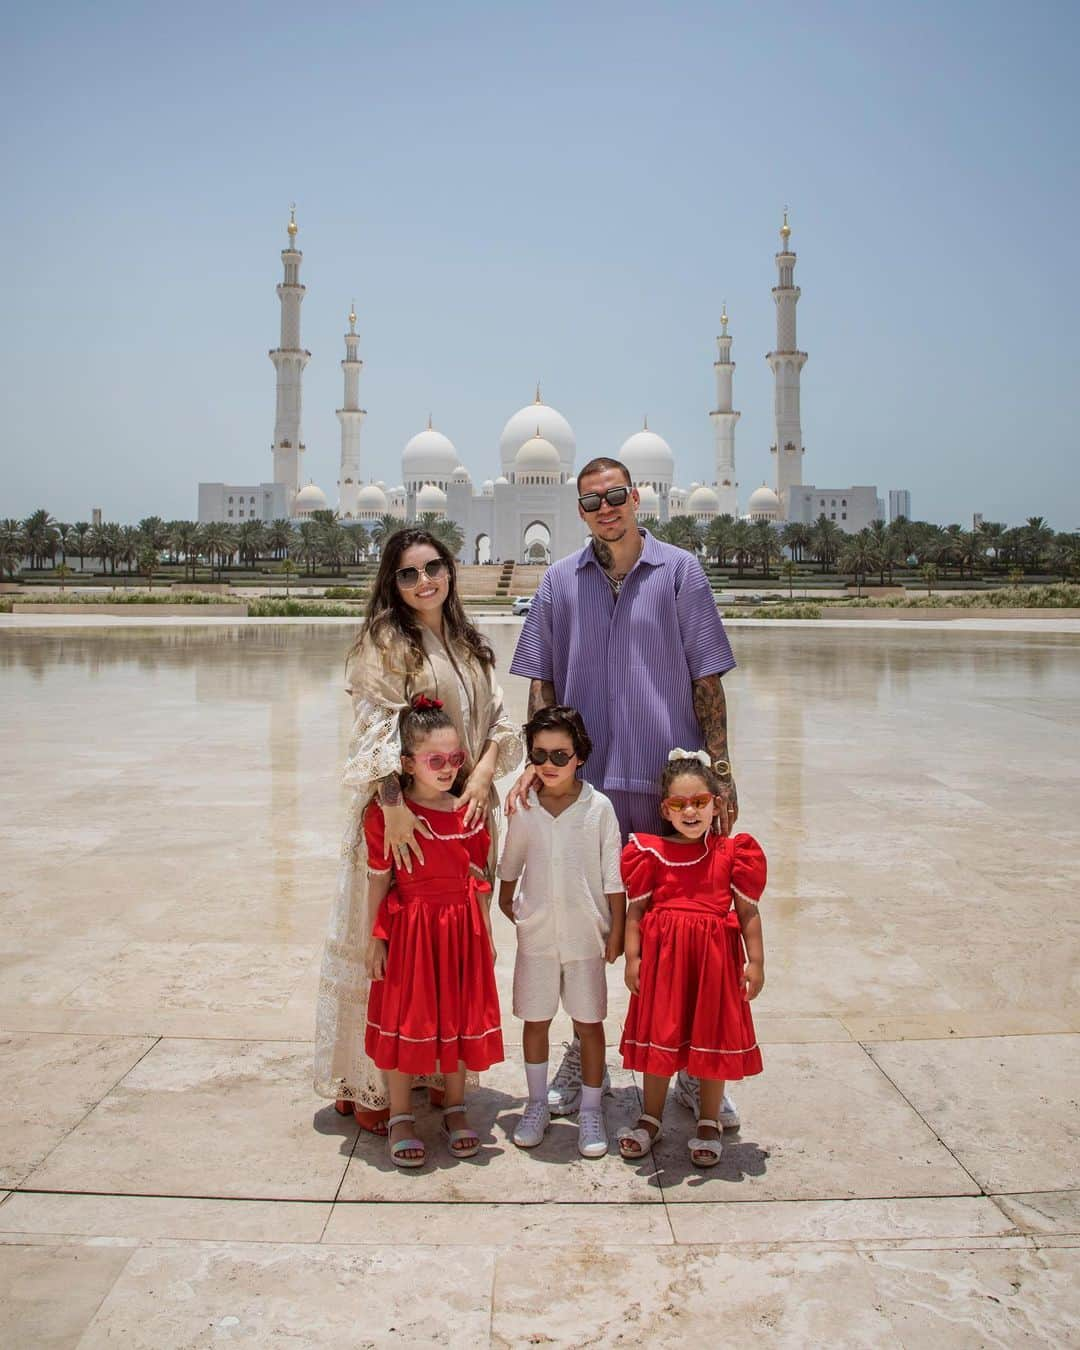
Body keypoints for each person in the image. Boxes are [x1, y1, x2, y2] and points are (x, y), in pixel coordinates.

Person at [507, 456, 740, 1121]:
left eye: (615, 495)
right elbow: (542, 684)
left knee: (683, 941)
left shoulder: (681, 573)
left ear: (637, 497)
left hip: (673, 796)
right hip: (590, 798)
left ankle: (697, 1071)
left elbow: (707, 681)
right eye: (591, 501)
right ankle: (584, 1060)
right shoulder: (558, 583)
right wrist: (538, 763)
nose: (606, 508)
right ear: (578, 510)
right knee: (583, 939)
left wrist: (720, 773)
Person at [313, 528, 521, 1132]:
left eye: (433, 567)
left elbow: (500, 719)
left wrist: (482, 776)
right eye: (408, 573)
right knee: (395, 956)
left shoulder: (465, 640)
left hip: (464, 818)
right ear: (392, 581)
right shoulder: (385, 641)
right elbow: (373, 725)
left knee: (446, 956)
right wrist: (394, 801)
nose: (424, 580)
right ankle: (377, 1084)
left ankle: (435, 1074)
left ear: (450, 571)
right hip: (403, 824)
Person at [364, 696, 503, 1166]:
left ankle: (456, 1106)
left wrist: (485, 934)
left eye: (455, 759)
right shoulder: (389, 815)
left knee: (457, 1019)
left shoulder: (467, 811)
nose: (447, 769)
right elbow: (379, 879)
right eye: (435, 760)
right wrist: (374, 937)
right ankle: (401, 1113)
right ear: (407, 763)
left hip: (460, 932)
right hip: (412, 934)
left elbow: (478, 880)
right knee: (409, 1019)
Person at [616, 751, 766, 1167]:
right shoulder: (651, 851)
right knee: (659, 1040)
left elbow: (748, 912)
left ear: (716, 803)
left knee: (712, 1039)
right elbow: (636, 912)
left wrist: (756, 961)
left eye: (699, 802)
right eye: (680, 804)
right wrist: (633, 958)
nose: (690, 811)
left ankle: (708, 1119)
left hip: (714, 967)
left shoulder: (732, 852)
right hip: (664, 965)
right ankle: (650, 1115)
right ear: (666, 808)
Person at [496, 706, 625, 1159]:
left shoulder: (599, 808)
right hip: (538, 937)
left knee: (588, 1022)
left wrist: (617, 931)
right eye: (539, 755)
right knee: (536, 1019)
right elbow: (509, 864)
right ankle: (535, 1104)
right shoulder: (525, 807)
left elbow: (614, 877)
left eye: (560, 755)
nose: (549, 764)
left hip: (587, 936)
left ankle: (590, 1108)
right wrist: (516, 908)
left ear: (580, 757)